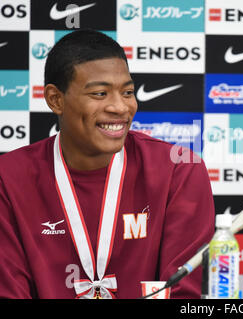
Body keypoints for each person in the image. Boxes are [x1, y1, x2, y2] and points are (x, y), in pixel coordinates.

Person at [0, 29, 215, 299]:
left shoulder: (179, 170)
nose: (120, 107)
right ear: (56, 99)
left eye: (127, 92)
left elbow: (185, 294)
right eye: (100, 94)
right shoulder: (8, 177)